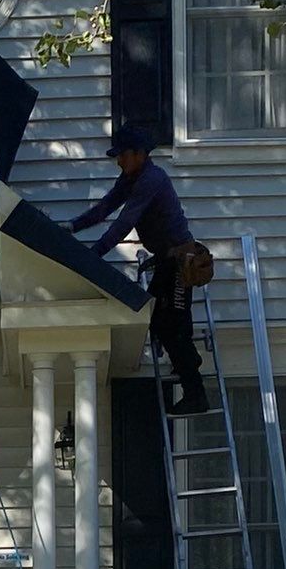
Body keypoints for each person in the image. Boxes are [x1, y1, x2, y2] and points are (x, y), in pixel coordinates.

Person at [71, 125, 210, 412]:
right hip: (166, 261)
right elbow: (104, 208)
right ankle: (190, 360)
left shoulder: (151, 180)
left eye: (121, 155)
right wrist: (73, 226)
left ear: (138, 154)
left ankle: (196, 395)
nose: (118, 161)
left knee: (173, 328)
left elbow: (123, 223)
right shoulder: (131, 178)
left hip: (180, 262)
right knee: (158, 320)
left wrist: (94, 254)